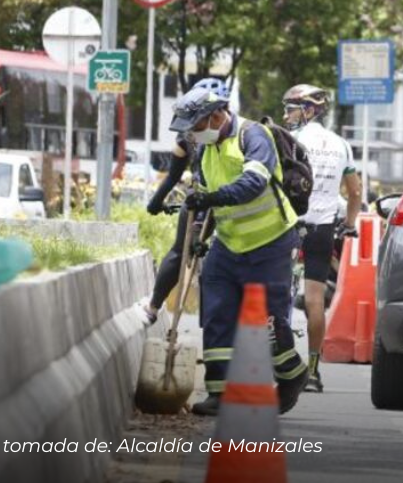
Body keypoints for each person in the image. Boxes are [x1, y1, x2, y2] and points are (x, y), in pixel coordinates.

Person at [168, 84, 308, 417]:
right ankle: (219, 392)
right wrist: (202, 232)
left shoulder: (254, 136)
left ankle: (292, 375)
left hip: (271, 244)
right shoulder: (205, 151)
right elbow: (207, 196)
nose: (192, 135)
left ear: (216, 116)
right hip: (228, 246)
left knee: (270, 322)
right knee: (217, 315)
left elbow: (252, 184)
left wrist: (211, 199)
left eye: (196, 126)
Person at [282, 83, 362, 393]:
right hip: (322, 228)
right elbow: (354, 191)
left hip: (289, 225)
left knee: (278, 295)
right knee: (315, 301)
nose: (286, 114)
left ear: (309, 110)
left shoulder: (289, 139)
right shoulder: (341, 144)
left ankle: (282, 366)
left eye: (291, 108)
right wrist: (351, 223)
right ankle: (313, 372)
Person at [143, 78, 228, 324]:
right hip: (226, 200)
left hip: (199, 201)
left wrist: (155, 203)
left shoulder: (186, 135)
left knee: (179, 251)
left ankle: (153, 307)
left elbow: (173, 176)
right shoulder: (232, 130)